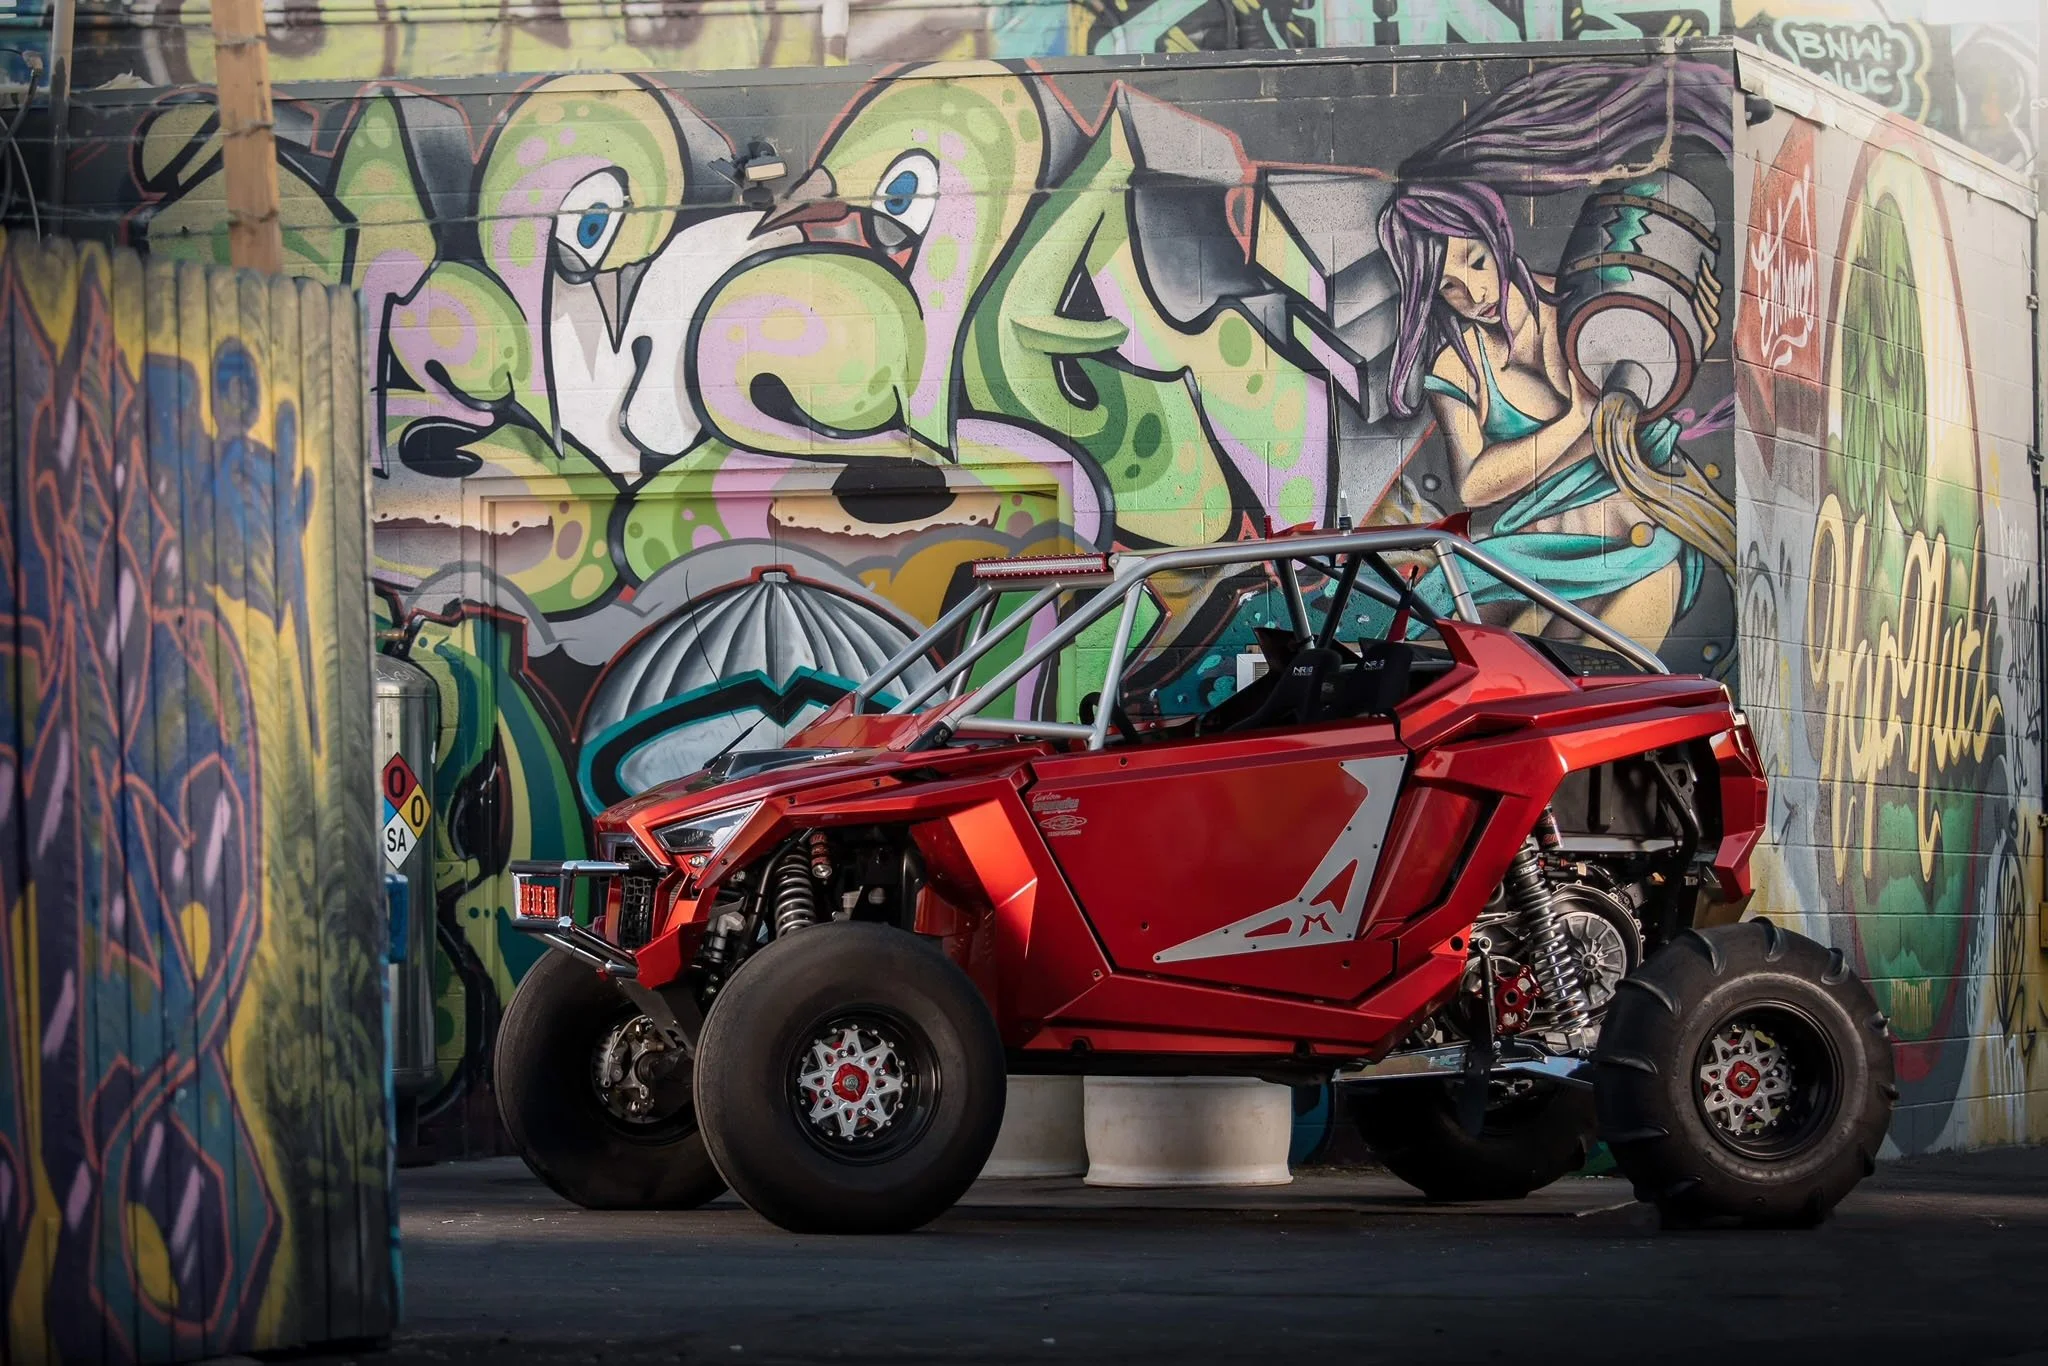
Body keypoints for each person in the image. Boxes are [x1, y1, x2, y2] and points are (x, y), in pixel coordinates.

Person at [1377, 61, 1736, 658]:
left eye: (1475, 261)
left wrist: (1686, 335)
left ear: (1496, 238)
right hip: (1530, 571)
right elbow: (1474, 483)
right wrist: (1578, 421)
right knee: (1522, 695)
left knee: (1616, 697)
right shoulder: (1457, 366)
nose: (1473, 291)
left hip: (1642, 540)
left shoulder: (1587, 297)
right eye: (1447, 287)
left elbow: (1649, 373)